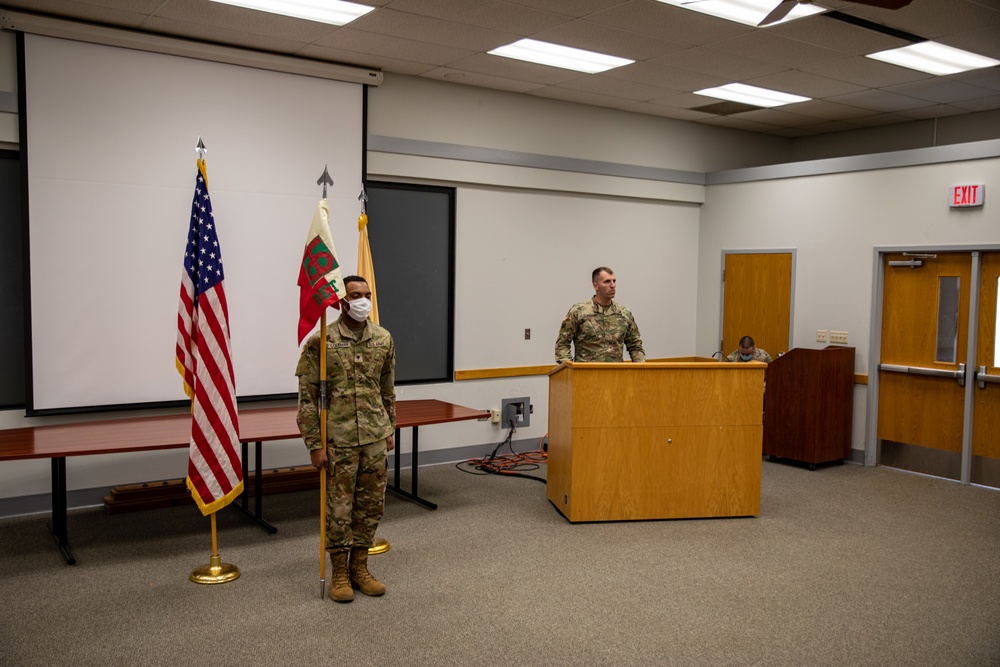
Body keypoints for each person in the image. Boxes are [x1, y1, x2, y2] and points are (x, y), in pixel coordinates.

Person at [296, 275, 396, 603]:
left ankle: (360, 568)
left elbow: (386, 389)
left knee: (370, 507)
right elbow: (309, 398)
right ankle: (339, 570)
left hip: (374, 437)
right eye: (356, 295)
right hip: (337, 440)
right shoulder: (320, 341)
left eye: (367, 294)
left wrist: (389, 428)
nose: (363, 300)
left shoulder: (383, 339)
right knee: (339, 509)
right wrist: (315, 444)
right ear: (341, 301)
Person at [555, 266, 645, 363]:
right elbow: (562, 345)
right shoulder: (579, 311)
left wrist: (641, 370)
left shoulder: (624, 313)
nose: (612, 285)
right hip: (586, 374)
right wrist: (570, 369)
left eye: (614, 281)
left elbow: (635, 346)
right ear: (595, 286)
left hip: (616, 374)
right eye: (607, 282)